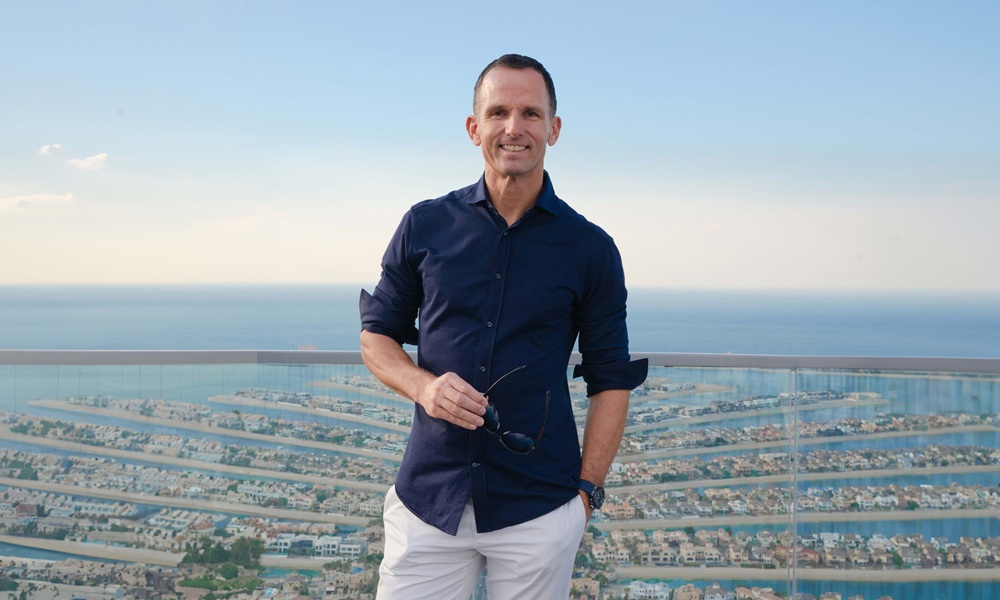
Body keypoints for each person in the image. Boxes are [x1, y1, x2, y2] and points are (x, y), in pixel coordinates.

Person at [359, 53, 647, 600]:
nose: (514, 127)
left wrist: (586, 495)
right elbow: (376, 336)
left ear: (554, 129)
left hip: (540, 506)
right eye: (498, 113)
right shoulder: (424, 225)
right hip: (429, 499)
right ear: (474, 128)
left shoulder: (591, 250)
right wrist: (423, 386)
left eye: (531, 114)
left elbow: (610, 378)